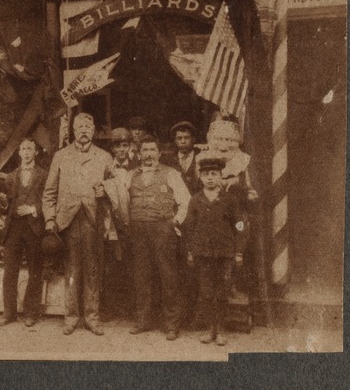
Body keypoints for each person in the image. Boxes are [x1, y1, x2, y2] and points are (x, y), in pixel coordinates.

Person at [106, 131, 191, 340]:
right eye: (145, 150)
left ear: (159, 153)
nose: (149, 154)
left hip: (163, 230)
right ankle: (143, 320)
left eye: (153, 149)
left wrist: (176, 221)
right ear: (139, 153)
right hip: (138, 233)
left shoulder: (171, 174)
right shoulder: (130, 176)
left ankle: (171, 324)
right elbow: (119, 200)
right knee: (141, 276)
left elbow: (186, 201)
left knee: (168, 276)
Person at [43, 112, 115, 336]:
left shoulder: (104, 157)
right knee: (72, 269)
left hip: (93, 219)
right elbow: (49, 192)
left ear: (93, 131)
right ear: (73, 131)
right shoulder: (61, 156)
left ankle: (92, 318)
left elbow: (115, 188)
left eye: (88, 126)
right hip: (69, 221)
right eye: (80, 126)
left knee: (93, 270)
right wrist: (50, 218)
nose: (84, 130)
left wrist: (106, 191)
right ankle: (71, 317)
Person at [183, 154, 248, 346]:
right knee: (206, 292)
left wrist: (238, 251)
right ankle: (209, 329)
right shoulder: (195, 200)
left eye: (214, 173)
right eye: (206, 174)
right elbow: (190, 227)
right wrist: (190, 251)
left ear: (220, 176)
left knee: (222, 291)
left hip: (225, 254)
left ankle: (220, 330)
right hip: (203, 254)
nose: (210, 178)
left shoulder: (229, 200)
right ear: (200, 178)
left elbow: (239, 225)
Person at [0, 139, 48, 327]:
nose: (26, 152)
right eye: (23, 149)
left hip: (34, 227)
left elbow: (50, 199)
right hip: (14, 228)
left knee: (35, 270)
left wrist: (33, 209)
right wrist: (2, 203)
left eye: (30, 149)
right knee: (10, 271)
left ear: (36, 152)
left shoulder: (44, 175)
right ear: (19, 153)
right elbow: (5, 208)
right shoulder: (10, 177)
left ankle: (30, 313)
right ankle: (9, 313)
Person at [101, 128, 134, 321]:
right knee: (111, 266)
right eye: (117, 146)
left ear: (130, 146)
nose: (121, 149)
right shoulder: (106, 168)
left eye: (124, 145)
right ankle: (109, 308)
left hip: (131, 222)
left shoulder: (136, 167)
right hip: (111, 223)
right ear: (112, 148)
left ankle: (130, 308)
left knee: (132, 265)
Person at [163, 121, 202, 194]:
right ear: (175, 140)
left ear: (193, 139)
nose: (183, 141)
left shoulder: (201, 156)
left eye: (187, 138)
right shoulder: (168, 160)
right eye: (179, 138)